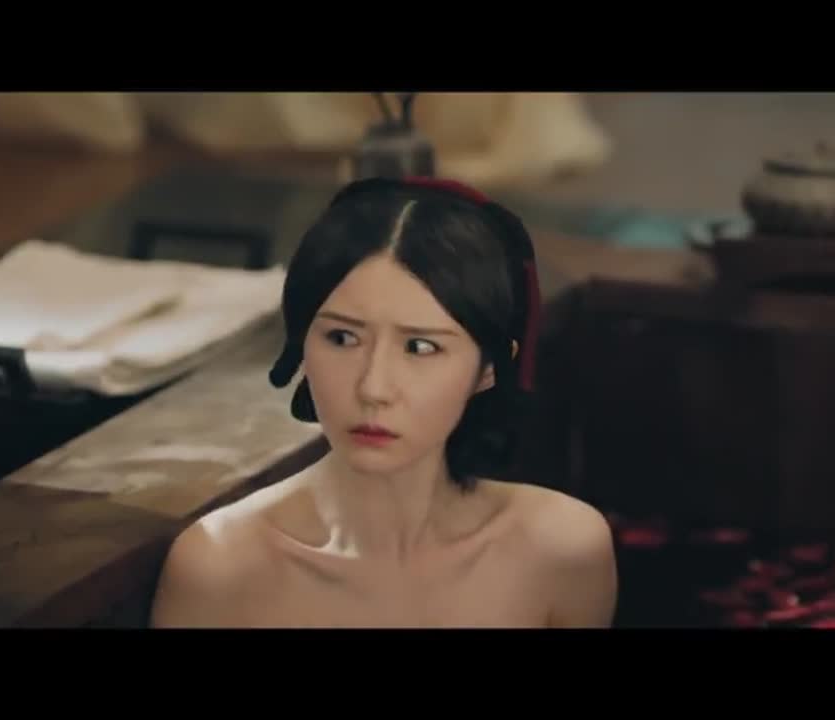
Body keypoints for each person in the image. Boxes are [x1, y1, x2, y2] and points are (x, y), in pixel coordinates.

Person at [149, 176, 618, 628]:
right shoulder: (220, 566)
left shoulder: (561, 550)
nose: (373, 387)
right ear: (302, 344)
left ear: (490, 368)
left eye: (420, 347)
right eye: (342, 337)